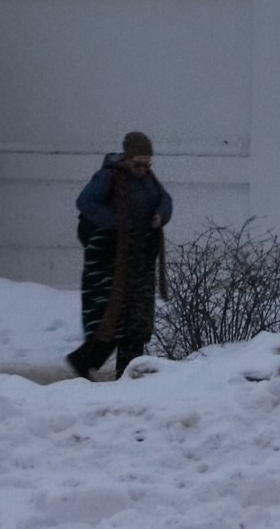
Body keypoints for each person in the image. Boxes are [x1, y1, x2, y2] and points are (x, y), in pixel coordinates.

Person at [67, 131, 172, 380]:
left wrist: (160, 215)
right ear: (126, 158)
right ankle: (82, 361)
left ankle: (127, 375)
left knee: (137, 322)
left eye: (148, 164)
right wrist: (117, 223)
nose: (143, 169)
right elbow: (85, 203)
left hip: (140, 260)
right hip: (111, 262)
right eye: (138, 163)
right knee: (112, 319)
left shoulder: (148, 179)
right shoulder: (107, 177)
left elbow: (164, 199)